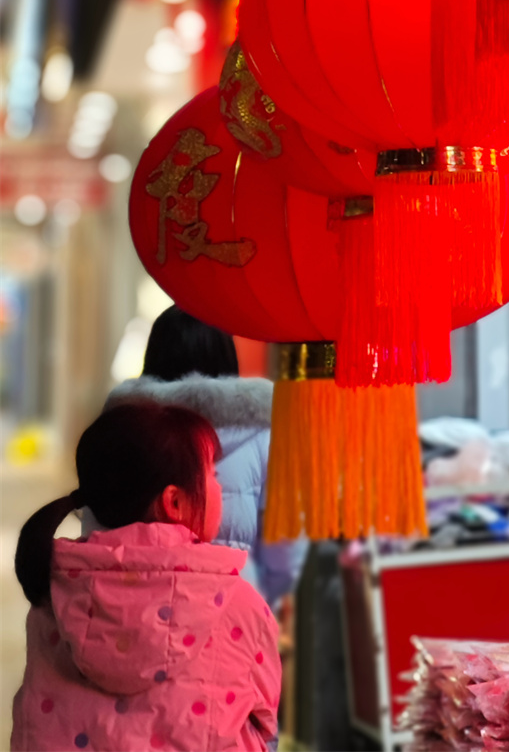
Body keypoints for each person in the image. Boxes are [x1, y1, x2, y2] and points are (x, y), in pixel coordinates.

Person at [12, 402, 280, 752]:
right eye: (212, 475)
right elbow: (266, 718)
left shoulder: (53, 593)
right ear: (174, 502)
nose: (219, 486)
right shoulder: (238, 604)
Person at [101, 305, 307, 612]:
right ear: (228, 358)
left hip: (130, 613)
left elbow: (98, 529)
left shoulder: (120, 430)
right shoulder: (266, 435)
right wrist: (263, 597)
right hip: (231, 614)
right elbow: (285, 551)